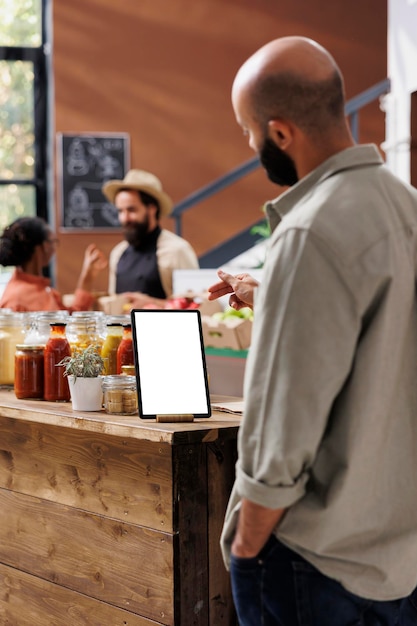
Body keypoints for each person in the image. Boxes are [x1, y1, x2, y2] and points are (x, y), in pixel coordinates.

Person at [208, 36, 417, 625]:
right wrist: (275, 298)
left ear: (279, 133)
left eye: (247, 131)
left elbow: (284, 427)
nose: (249, 145)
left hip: (315, 563)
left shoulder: (309, 233)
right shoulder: (406, 208)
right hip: (398, 558)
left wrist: (246, 546)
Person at [102, 169, 199, 308]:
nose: (125, 218)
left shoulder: (177, 250)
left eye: (131, 210)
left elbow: (195, 305)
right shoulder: (117, 253)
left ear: (152, 208)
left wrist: (151, 303)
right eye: (120, 211)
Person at [0, 216, 107, 312]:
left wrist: (87, 276)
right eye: (53, 242)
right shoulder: (16, 300)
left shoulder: (38, 289)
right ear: (43, 247)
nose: (54, 248)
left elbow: (69, 319)